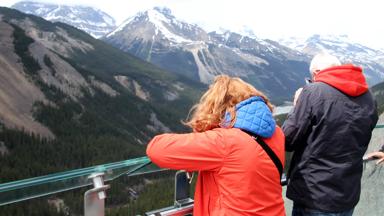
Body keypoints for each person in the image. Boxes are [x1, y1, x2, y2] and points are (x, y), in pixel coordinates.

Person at [147, 75, 285, 216]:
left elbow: (156, 149)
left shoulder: (224, 142)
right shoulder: (277, 133)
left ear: (218, 106)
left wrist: (208, 127)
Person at [282, 53, 378, 216]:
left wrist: (297, 105)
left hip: (314, 195)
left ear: (317, 73)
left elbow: (287, 139)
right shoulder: (368, 96)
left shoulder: (314, 91)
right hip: (348, 193)